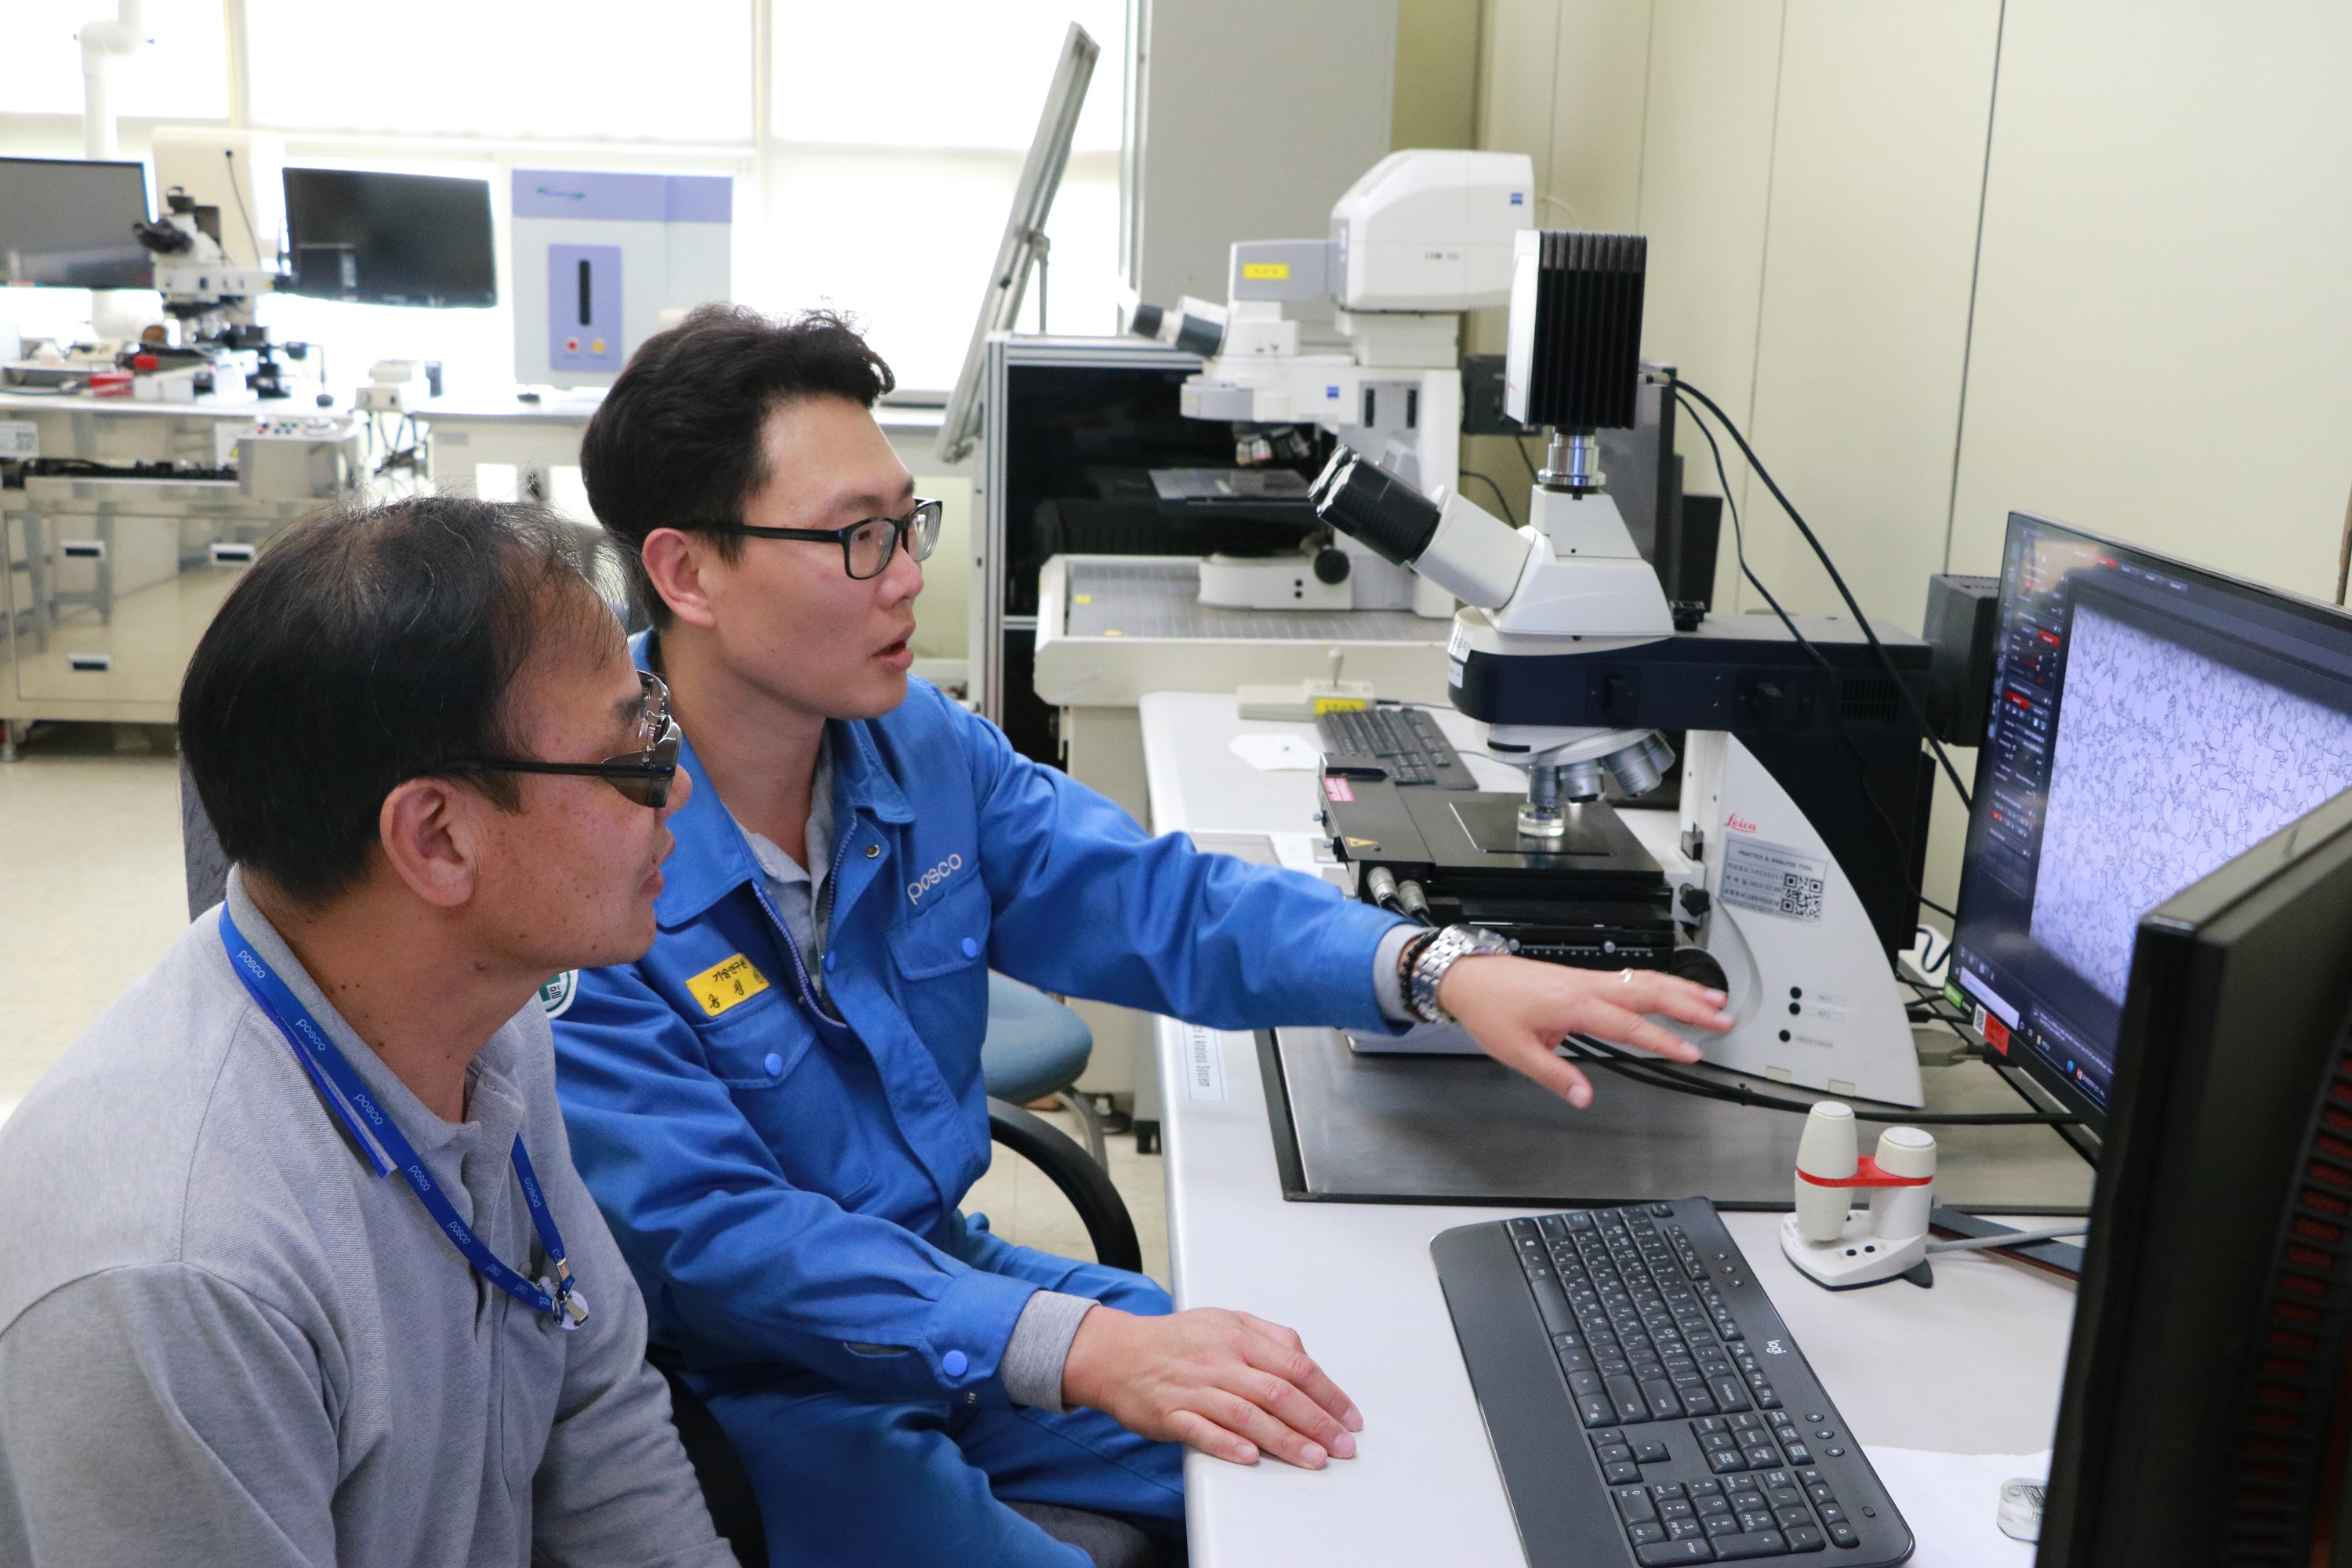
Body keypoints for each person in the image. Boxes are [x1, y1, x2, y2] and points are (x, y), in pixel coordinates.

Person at [550, 305, 1735, 1566]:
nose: (907, 576)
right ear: (686, 573)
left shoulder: (913, 745)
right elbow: (725, 1243)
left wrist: (1435, 967)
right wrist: (1087, 1346)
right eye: (856, 538)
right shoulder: (589, 853)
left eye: (908, 526)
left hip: (953, 1276)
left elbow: (1151, 899)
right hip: (762, 1384)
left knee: (1347, 1444)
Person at [0, 498, 737, 1568]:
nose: (675, 788)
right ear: (437, 837)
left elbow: (601, 1419)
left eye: (654, 725)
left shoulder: (489, 1020)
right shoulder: (181, 1277)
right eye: (630, 760)